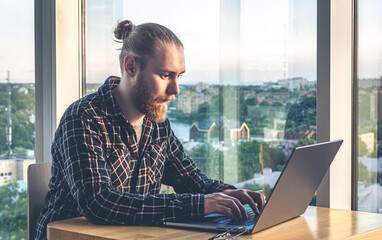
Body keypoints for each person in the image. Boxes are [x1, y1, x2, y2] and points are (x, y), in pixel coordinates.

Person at [34, 20, 265, 240]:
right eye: (165, 75)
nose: (176, 89)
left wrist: (234, 195)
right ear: (131, 66)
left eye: (179, 76)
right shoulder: (84, 117)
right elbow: (99, 202)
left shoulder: (157, 123)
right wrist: (200, 204)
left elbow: (192, 181)